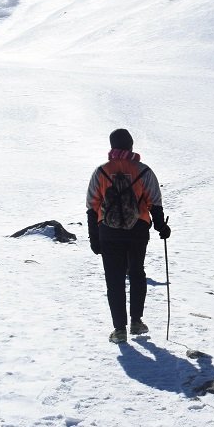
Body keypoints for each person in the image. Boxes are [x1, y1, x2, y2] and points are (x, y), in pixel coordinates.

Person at [86, 129, 171, 343]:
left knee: (114, 279)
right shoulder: (143, 171)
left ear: (112, 146)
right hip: (137, 230)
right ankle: (136, 322)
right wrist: (161, 227)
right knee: (136, 273)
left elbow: (92, 205)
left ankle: (119, 330)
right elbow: (155, 202)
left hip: (108, 232)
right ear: (131, 145)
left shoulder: (101, 172)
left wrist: (94, 237)